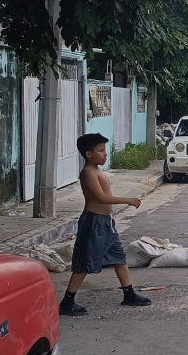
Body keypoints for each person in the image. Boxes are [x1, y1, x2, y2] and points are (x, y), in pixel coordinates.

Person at [60, 133, 151, 316]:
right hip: (93, 222)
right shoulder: (88, 173)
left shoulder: (98, 170)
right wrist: (127, 200)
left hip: (106, 223)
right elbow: (100, 198)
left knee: (119, 257)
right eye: (100, 151)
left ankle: (129, 294)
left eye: (105, 151)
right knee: (85, 262)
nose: (105, 154)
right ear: (88, 154)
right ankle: (67, 302)